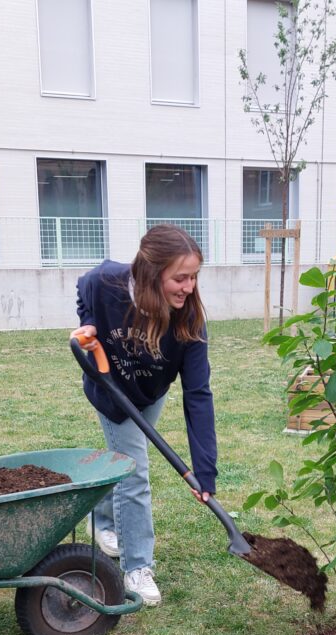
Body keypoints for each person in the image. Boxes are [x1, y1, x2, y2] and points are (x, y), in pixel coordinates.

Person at [72, 224, 217, 608]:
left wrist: (205, 470)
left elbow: (198, 395)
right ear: (152, 273)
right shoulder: (108, 282)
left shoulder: (189, 320)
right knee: (134, 471)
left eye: (194, 277)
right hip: (111, 389)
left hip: (151, 393)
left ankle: (102, 519)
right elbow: (84, 287)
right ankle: (138, 566)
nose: (189, 287)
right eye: (180, 278)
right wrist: (89, 321)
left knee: (123, 462)